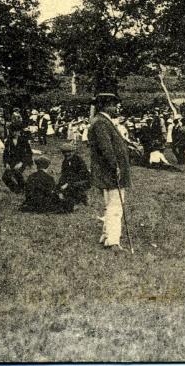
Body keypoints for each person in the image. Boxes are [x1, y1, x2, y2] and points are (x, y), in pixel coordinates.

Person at [87, 91, 131, 251]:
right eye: (114, 104)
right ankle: (113, 241)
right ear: (106, 106)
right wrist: (115, 166)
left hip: (108, 170)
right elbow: (106, 148)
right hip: (111, 171)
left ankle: (106, 235)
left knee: (110, 205)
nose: (117, 107)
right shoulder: (101, 123)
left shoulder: (102, 121)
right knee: (115, 206)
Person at [58, 143, 91, 207]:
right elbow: (64, 174)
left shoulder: (79, 160)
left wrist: (67, 184)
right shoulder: (65, 162)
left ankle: (84, 198)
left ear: (73, 152)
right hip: (71, 181)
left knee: (72, 186)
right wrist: (61, 183)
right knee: (59, 186)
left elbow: (81, 175)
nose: (67, 154)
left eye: (69, 152)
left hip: (83, 180)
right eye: (64, 152)